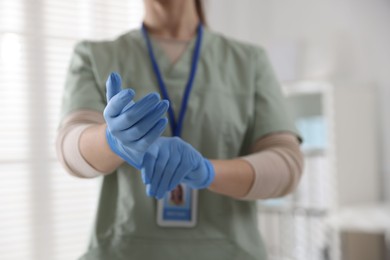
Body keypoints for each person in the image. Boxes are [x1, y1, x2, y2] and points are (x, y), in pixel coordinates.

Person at [56, 0, 304, 259]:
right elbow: (69, 147)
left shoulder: (250, 62)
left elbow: (288, 164)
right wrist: (110, 140)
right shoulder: (94, 56)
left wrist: (209, 172)